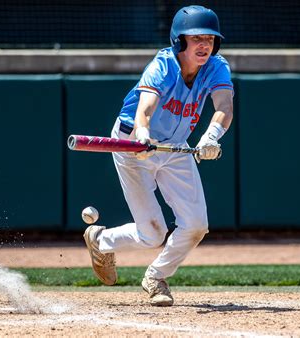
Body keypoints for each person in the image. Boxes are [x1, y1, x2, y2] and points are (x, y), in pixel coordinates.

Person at [83, 5, 234, 306]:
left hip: (175, 145)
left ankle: (156, 276)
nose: (204, 45)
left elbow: (224, 106)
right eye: (196, 38)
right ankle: (101, 241)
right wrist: (142, 134)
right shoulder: (162, 65)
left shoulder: (217, 66)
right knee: (153, 234)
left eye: (210, 39)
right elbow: (146, 108)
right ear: (180, 40)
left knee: (196, 225)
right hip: (133, 143)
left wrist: (211, 136)